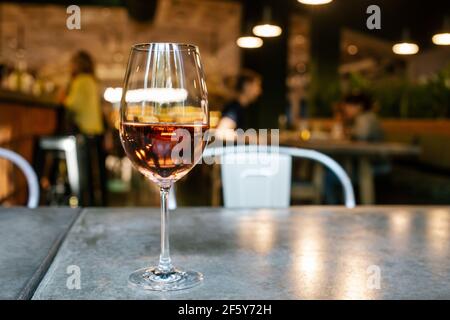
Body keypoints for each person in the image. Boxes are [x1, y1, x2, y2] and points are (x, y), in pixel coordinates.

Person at [60, 51, 106, 206]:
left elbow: (72, 105)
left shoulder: (80, 81)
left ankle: (87, 203)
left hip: (85, 131)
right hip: (97, 129)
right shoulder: (93, 81)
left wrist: (63, 96)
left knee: (85, 172)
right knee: (99, 171)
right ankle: (101, 202)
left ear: (77, 64)